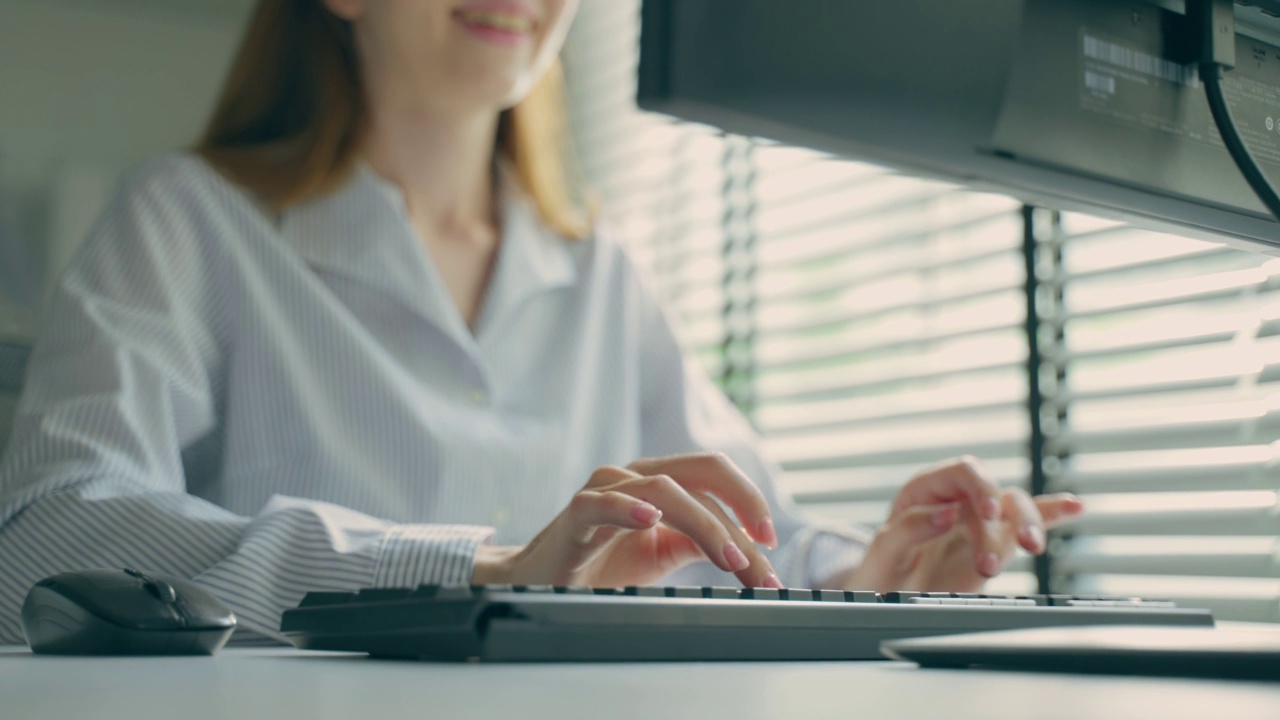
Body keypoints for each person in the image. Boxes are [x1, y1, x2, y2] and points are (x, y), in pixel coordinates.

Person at [0, 0, 1083, 644]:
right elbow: (47, 539)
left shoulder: (600, 270)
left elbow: (751, 533)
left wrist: (872, 574)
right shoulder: (187, 219)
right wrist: (481, 566)